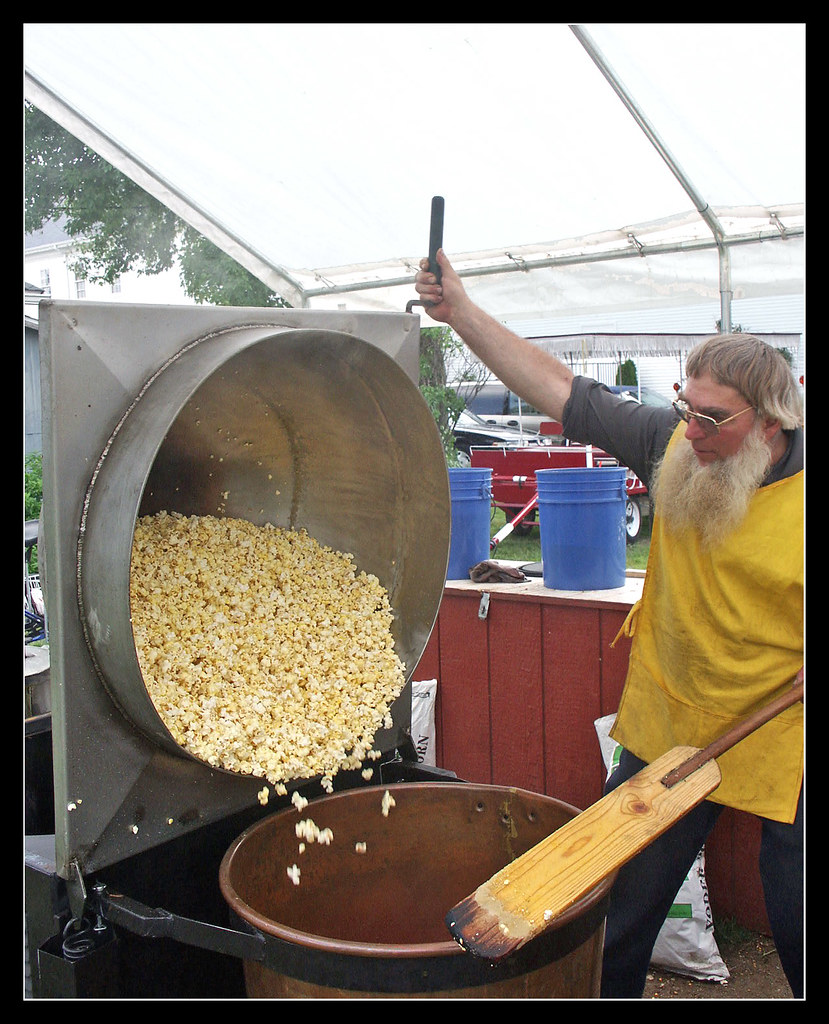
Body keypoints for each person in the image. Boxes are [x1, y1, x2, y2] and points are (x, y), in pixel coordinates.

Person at [414, 251, 804, 998]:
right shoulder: (671, 442)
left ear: (772, 421)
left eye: (711, 418)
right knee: (621, 911)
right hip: (673, 716)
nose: (690, 431)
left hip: (785, 729)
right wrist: (458, 310)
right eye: (684, 407)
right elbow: (558, 387)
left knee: (797, 911)